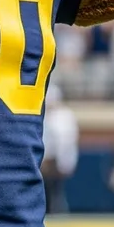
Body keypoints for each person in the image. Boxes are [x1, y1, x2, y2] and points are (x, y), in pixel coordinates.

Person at [42, 83, 80, 214]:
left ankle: (58, 209)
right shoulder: (44, 116)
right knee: (49, 190)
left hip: (59, 159)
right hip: (47, 159)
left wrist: (61, 160)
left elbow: (66, 141)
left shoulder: (64, 116)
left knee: (56, 190)